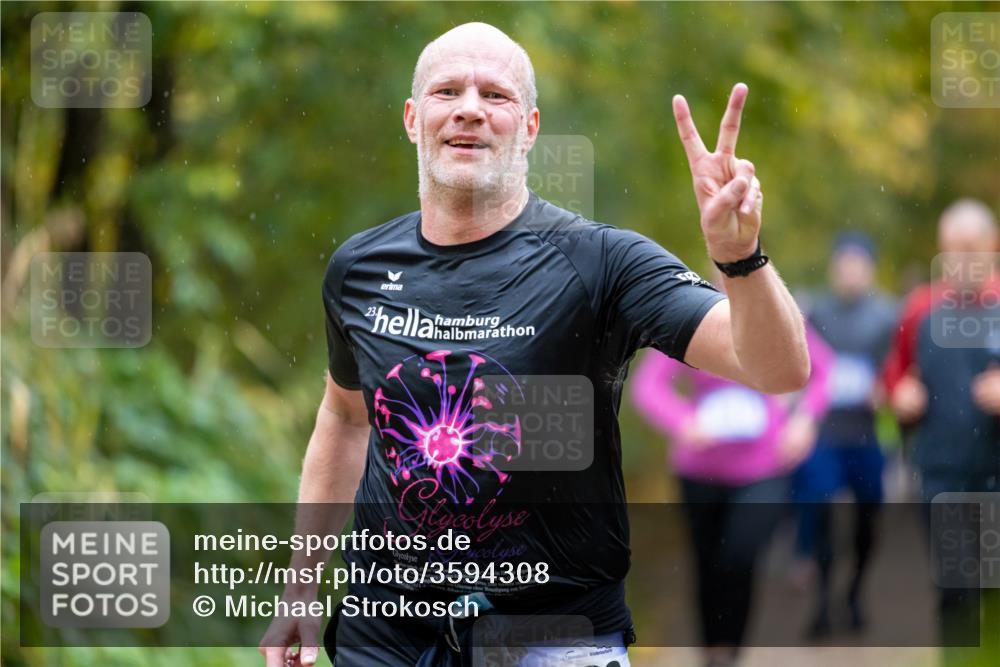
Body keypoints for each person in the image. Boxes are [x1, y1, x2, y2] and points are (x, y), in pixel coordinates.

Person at [259, 22, 810, 667]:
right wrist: (299, 587)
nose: (469, 108)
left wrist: (740, 257)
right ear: (413, 118)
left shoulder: (603, 262)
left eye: (495, 95)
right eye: (447, 91)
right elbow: (345, 418)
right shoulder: (359, 269)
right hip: (385, 639)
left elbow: (777, 369)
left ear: (530, 126)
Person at [632, 279, 832, 667]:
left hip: (763, 467)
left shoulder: (775, 314)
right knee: (706, 564)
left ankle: (731, 652)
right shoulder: (691, 316)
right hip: (700, 469)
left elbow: (822, 371)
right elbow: (648, 386)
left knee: (740, 555)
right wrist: (683, 421)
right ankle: (713, 651)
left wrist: (805, 420)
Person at [881, 199, 1000, 654]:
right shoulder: (920, 310)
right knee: (954, 591)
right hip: (942, 473)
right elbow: (895, 372)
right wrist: (900, 393)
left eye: (969, 248)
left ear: (991, 247)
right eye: (951, 249)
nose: (959, 260)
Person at [792, 232, 898, 638]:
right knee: (818, 511)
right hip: (826, 434)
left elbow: (902, 365)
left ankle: (854, 592)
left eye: (859, 264)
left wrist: (885, 387)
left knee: (868, 518)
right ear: (835, 268)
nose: (851, 272)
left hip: (869, 435)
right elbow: (798, 362)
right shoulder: (814, 312)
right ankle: (821, 602)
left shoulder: (889, 315)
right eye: (844, 264)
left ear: (870, 269)